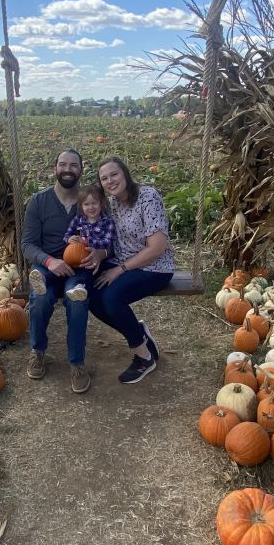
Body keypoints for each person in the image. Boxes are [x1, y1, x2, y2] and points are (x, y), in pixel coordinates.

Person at [21, 149, 107, 394]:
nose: (67, 169)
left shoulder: (90, 201)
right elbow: (27, 244)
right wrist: (49, 262)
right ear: (54, 168)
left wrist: (101, 254)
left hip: (78, 269)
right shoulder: (39, 202)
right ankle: (37, 352)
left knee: (77, 301)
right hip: (47, 266)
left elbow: (109, 238)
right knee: (40, 298)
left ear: (81, 169)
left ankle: (77, 364)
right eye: (62, 164)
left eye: (73, 165)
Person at [90, 156, 174, 384]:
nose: (110, 181)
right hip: (122, 261)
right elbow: (107, 237)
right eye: (104, 178)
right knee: (91, 294)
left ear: (125, 173)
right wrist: (98, 253)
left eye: (114, 174)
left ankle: (144, 357)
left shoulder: (148, 197)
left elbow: (157, 248)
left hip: (155, 267)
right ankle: (139, 336)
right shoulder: (112, 202)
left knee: (111, 297)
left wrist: (120, 269)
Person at [60, 184, 116, 302]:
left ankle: (81, 287)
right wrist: (69, 239)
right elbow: (67, 234)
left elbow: (107, 242)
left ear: (101, 203)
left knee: (88, 270)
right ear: (81, 206)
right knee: (66, 267)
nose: (91, 207)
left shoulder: (107, 222)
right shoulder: (78, 219)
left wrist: (86, 241)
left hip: (98, 259)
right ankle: (44, 279)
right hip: (79, 257)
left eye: (94, 203)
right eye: (86, 204)